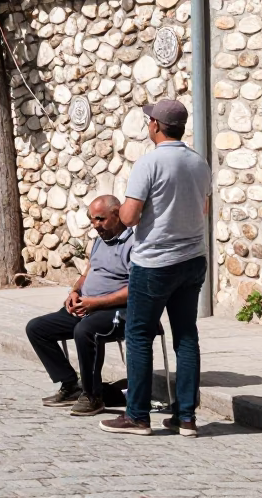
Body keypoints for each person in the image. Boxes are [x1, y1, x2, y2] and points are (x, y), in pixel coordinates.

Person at [100, 100, 212, 439]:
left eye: (150, 119)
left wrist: (134, 207)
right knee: (186, 336)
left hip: (155, 263)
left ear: (155, 126)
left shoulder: (148, 163)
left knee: (139, 335)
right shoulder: (199, 162)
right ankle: (187, 418)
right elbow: (203, 209)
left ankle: (137, 416)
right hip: (192, 259)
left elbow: (130, 217)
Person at [25, 196, 133, 417]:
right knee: (37, 328)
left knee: (85, 331)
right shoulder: (100, 241)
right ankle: (70, 385)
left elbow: (135, 288)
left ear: (117, 214)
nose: (95, 225)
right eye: (92, 220)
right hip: (88, 305)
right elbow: (86, 273)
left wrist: (96, 303)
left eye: (100, 219)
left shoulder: (134, 243)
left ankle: (93, 396)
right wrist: (74, 292)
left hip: (116, 311)